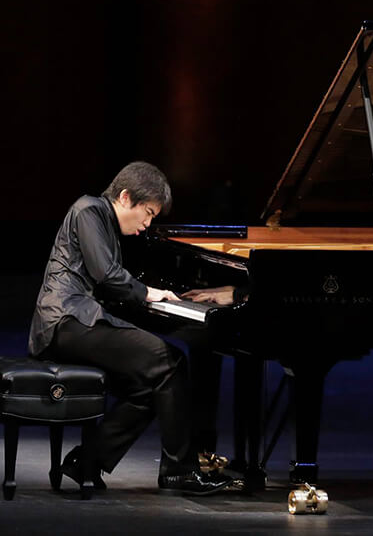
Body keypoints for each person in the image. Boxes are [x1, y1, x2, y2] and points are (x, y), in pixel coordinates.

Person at [28, 161, 232, 495]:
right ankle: (180, 472)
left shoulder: (106, 221)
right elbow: (107, 275)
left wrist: (148, 299)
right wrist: (150, 293)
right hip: (64, 321)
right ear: (125, 197)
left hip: (80, 320)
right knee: (169, 362)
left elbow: (111, 283)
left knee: (151, 386)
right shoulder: (88, 209)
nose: (148, 224)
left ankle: (87, 463)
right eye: (148, 213)